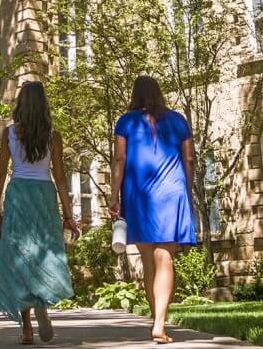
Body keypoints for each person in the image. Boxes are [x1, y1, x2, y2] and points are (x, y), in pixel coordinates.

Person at [0, 80, 79, 345]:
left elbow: (0, 173)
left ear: (21, 104)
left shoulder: (9, 134)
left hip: (18, 195)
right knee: (42, 252)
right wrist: (68, 216)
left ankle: (27, 328)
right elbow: (61, 178)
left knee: (20, 256)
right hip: (43, 196)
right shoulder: (53, 136)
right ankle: (42, 305)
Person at [109, 75, 196, 345]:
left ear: (136, 94)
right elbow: (189, 158)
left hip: (139, 194)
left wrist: (114, 196)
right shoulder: (178, 120)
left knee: (149, 261)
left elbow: (120, 158)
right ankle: (159, 322)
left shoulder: (125, 122)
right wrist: (187, 190)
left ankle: (156, 320)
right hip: (172, 193)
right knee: (165, 258)